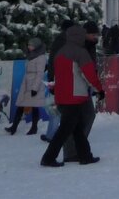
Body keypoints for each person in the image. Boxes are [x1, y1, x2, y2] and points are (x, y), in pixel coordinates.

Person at [40, 24, 104, 167]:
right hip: (75, 95)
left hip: (63, 95)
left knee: (77, 128)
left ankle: (85, 156)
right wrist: (99, 89)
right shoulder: (80, 52)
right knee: (66, 129)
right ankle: (48, 157)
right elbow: (89, 74)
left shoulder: (61, 51)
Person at [63, 22, 102, 163]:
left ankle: (76, 150)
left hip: (82, 87)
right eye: (93, 34)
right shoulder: (80, 46)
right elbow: (84, 69)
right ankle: (73, 152)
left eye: (96, 34)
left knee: (84, 118)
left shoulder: (89, 46)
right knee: (78, 119)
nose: (96, 37)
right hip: (76, 87)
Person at [6, 37, 48, 135]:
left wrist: (35, 88)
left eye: (31, 45)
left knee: (34, 106)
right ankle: (14, 127)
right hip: (26, 83)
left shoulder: (41, 57)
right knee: (21, 104)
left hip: (34, 84)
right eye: (29, 45)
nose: (29, 47)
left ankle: (34, 128)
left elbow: (40, 73)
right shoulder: (31, 56)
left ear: (36, 46)